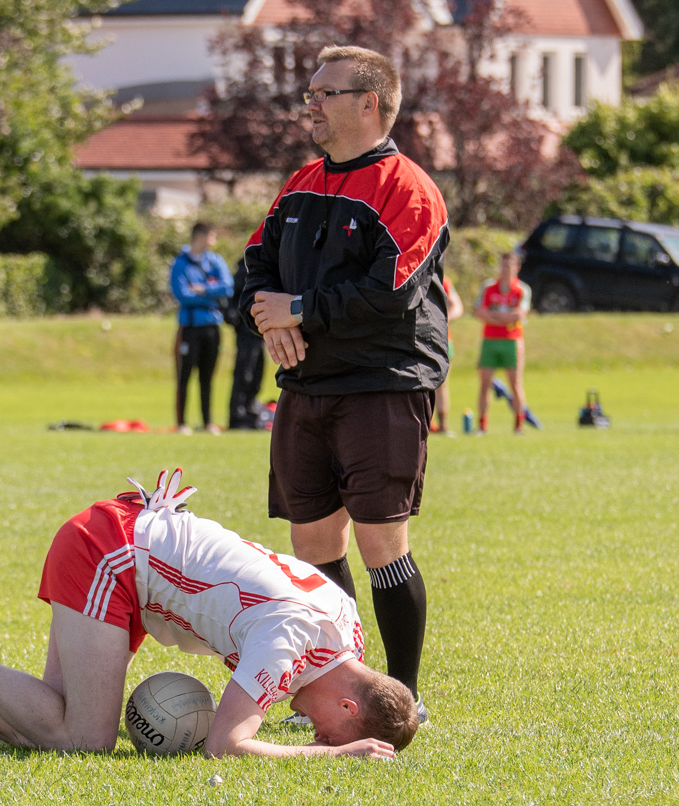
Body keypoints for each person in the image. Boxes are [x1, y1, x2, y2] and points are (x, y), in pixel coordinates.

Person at [0, 470, 418, 759]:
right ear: (349, 706)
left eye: (321, 742)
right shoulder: (289, 642)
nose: (315, 736)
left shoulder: (348, 630)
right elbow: (224, 746)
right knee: (85, 740)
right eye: (330, 734)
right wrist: (329, 760)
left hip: (134, 560)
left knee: (48, 729)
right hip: (110, 552)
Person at [239, 46, 449, 722]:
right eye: (310, 91)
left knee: (380, 542)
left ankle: (404, 697)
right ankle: (342, 689)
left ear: (370, 103)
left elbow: (389, 291)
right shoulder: (299, 181)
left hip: (381, 383)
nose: (310, 104)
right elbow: (251, 267)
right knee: (311, 546)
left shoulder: (408, 187)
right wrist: (268, 322)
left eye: (325, 93)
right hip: (306, 385)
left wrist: (297, 310)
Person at [169, 222, 233, 435]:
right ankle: (182, 423)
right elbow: (182, 294)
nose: (213, 241)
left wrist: (202, 289)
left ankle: (207, 422)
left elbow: (228, 288)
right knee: (184, 375)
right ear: (201, 236)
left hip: (212, 327)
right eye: (212, 236)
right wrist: (210, 297)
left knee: (207, 376)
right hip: (189, 327)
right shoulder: (180, 263)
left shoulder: (215, 261)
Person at [474, 251, 532, 435]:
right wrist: (503, 319)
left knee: (515, 384)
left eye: (509, 266)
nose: (505, 269)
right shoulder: (489, 287)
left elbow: (519, 315)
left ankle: (518, 424)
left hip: (511, 341)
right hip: (490, 340)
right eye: (503, 265)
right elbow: (480, 311)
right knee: (485, 384)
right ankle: (482, 425)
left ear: (517, 267)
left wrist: (495, 316)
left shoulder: (522, 290)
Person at [227, 258, 267, 429]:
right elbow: (236, 296)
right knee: (244, 373)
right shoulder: (247, 264)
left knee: (257, 372)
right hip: (246, 329)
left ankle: (249, 411)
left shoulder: (265, 262)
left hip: (259, 330)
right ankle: (237, 415)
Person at [431, 274, 465, 435]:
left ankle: (443, 425)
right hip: (417, 339)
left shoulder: (443, 280)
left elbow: (457, 306)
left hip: (442, 339)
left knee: (441, 383)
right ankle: (426, 424)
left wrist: (442, 320)